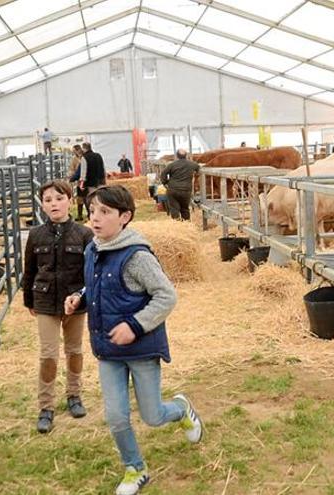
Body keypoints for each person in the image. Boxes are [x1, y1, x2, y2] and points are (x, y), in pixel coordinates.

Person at [64, 186, 202, 495]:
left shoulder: (137, 256)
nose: (95, 219)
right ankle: (134, 468)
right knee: (115, 415)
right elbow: (95, 288)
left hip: (141, 349)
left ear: (125, 217)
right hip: (108, 349)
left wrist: (135, 326)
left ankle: (181, 409)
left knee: (152, 416)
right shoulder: (93, 250)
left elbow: (166, 296)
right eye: (91, 211)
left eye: (104, 212)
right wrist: (79, 299)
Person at [22, 180, 94, 434]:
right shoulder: (35, 235)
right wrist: (29, 300)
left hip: (75, 302)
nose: (54, 204)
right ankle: (46, 406)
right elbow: (29, 270)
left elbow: (91, 271)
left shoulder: (85, 235)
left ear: (70, 201)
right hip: (45, 301)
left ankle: (74, 395)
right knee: (48, 354)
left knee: (74, 350)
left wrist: (84, 298)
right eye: (48, 200)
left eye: (59, 198)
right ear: (43, 205)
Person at [160, 149, 199, 221]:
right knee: (185, 208)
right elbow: (199, 169)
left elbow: (163, 173)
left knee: (174, 208)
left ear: (177, 156)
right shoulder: (192, 164)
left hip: (173, 189)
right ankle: (186, 223)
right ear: (186, 155)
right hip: (186, 190)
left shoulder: (172, 165)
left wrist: (165, 183)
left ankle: (177, 224)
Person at [69, 145, 88, 220]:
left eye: (74, 151)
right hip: (79, 181)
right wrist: (72, 176)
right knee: (80, 198)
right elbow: (72, 169)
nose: (74, 152)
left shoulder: (85, 157)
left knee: (87, 198)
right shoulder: (74, 159)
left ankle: (89, 214)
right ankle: (80, 215)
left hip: (86, 180)